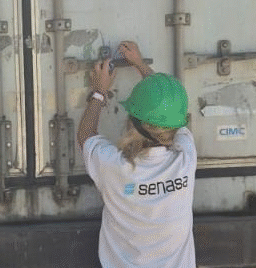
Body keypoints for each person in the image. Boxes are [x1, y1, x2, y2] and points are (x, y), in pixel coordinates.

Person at [78, 41, 196, 268]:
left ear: (132, 122)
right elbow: (169, 109)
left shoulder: (115, 166)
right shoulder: (185, 158)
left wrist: (99, 92)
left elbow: (85, 135)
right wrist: (141, 65)